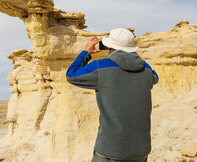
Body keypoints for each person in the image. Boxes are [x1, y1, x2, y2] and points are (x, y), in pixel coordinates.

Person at [66, 28, 159, 162]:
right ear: (132, 48)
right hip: (141, 152)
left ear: (109, 46)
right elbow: (154, 76)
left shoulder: (100, 66)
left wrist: (86, 52)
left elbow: (71, 74)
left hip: (110, 151)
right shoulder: (145, 69)